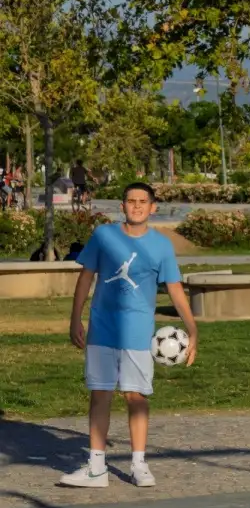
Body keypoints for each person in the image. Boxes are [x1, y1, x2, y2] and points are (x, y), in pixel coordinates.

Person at [59, 181, 198, 489]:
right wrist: (75, 319)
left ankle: (139, 464)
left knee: (136, 396)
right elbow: (85, 279)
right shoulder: (104, 236)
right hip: (102, 330)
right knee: (100, 394)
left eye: (142, 201)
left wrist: (192, 328)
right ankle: (96, 467)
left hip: (137, 333)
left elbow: (174, 288)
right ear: (122, 206)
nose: (136, 206)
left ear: (152, 208)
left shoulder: (161, 246)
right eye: (130, 201)